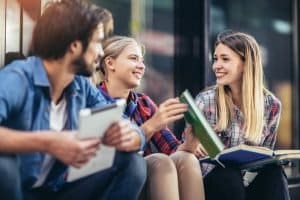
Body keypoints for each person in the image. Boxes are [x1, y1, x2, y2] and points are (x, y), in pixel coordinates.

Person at [0, 1, 147, 200]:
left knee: (131, 162)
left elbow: (123, 122)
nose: (101, 52)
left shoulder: (81, 86)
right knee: (4, 167)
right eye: (97, 42)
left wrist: (132, 135)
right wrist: (49, 142)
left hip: (54, 190)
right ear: (75, 46)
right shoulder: (18, 78)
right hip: (17, 189)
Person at [93, 36, 205, 200]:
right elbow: (111, 155)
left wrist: (189, 144)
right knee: (161, 161)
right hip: (118, 179)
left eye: (142, 61)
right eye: (133, 58)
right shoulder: (94, 100)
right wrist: (152, 125)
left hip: (148, 177)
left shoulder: (143, 103)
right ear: (110, 63)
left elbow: (172, 150)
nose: (141, 66)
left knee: (186, 158)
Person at [194, 30, 290, 200]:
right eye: (215, 59)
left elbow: (264, 157)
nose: (216, 66)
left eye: (225, 59)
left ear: (246, 64)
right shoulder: (206, 101)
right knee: (229, 175)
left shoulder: (271, 105)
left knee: (274, 172)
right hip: (214, 184)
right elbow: (190, 158)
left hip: (247, 182)